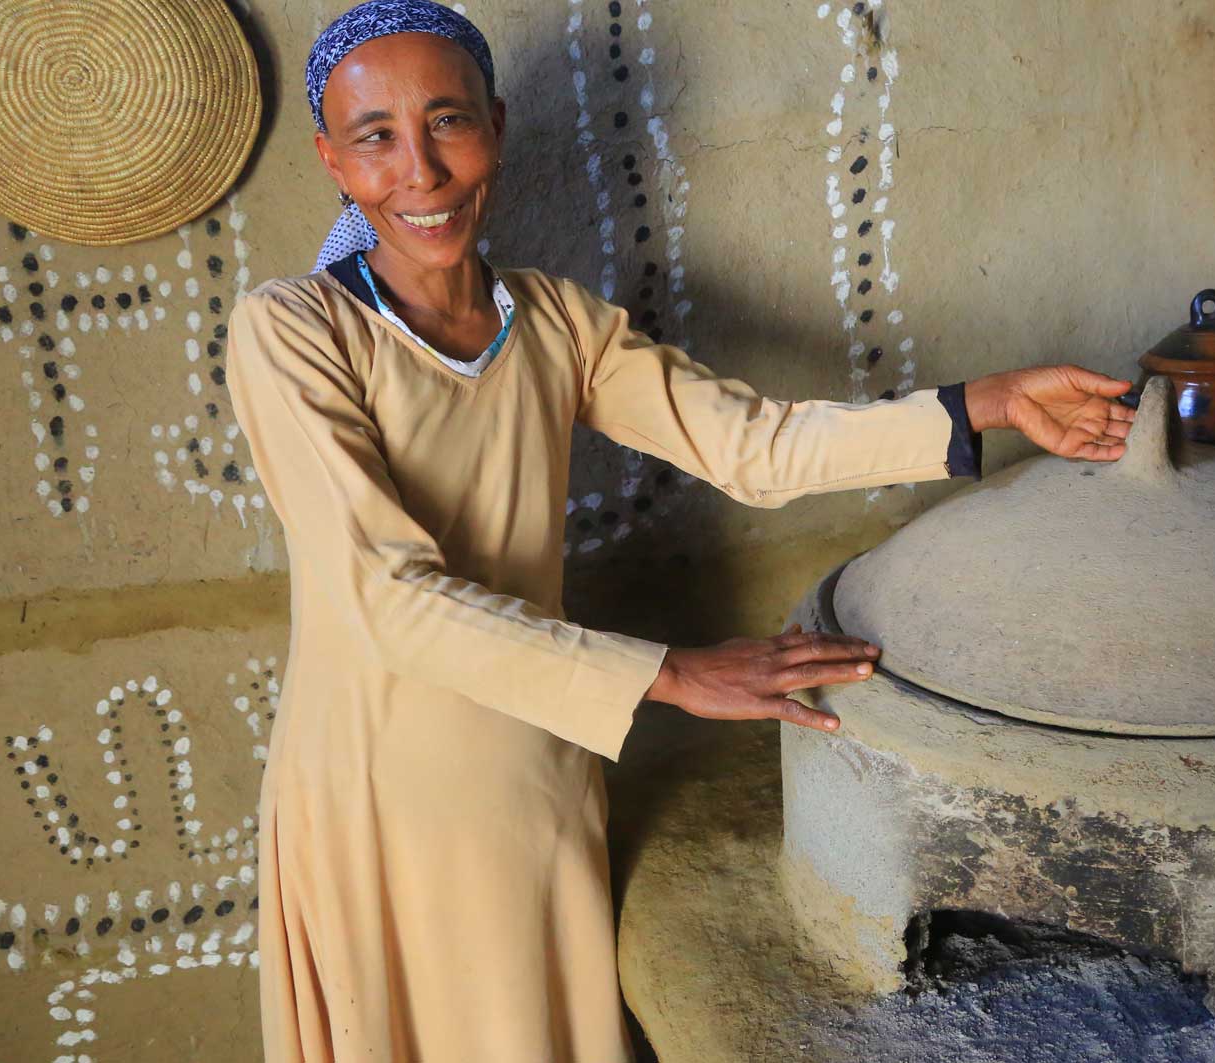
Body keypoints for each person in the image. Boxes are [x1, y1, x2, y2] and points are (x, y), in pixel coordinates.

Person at [225, 2, 1137, 1059]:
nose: (420, 169)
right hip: (376, 793)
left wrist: (983, 404)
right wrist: (672, 675)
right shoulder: (294, 330)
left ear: (499, 126)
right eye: (376, 136)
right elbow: (385, 594)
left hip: (534, 772)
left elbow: (754, 445)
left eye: (448, 121)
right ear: (331, 157)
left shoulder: (557, 322)